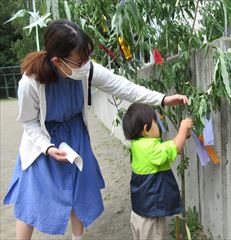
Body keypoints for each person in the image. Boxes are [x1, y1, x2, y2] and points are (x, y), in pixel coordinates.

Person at [3, 19, 189, 240]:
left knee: (77, 189)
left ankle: (78, 237)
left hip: (75, 135)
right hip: (43, 140)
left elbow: (122, 86)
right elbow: (29, 123)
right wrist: (47, 148)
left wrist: (163, 99)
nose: (86, 64)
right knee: (31, 195)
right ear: (57, 60)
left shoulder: (83, 69)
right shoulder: (30, 82)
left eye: (86, 58)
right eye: (79, 60)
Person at [122, 103, 193, 240]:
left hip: (139, 212)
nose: (158, 124)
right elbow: (174, 147)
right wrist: (183, 129)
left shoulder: (137, 145)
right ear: (146, 129)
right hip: (151, 217)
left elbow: (171, 148)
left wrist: (182, 136)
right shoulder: (151, 149)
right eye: (156, 121)